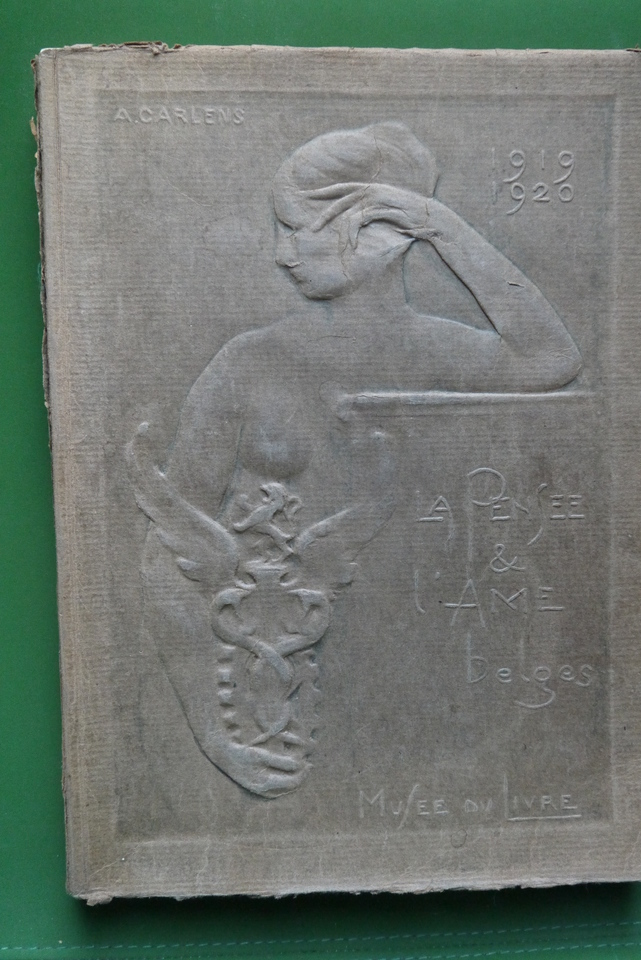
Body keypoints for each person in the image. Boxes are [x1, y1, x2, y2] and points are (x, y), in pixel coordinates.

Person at [128, 122, 582, 799]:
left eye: (297, 229)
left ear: (377, 235)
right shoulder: (249, 364)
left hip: (442, 690)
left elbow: (552, 359)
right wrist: (214, 735)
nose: (281, 253)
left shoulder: (445, 354)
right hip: (296, 704)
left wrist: (439, 225)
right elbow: (167, 556)